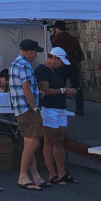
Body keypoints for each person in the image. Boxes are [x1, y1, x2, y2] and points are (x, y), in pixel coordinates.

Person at [35, 47, 78, 186]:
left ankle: (61, 173)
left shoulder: (57, 71)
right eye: (60, 61)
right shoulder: (42, 70)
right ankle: (52, 174)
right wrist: (64, 90)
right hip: (49, 108)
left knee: (59, 140)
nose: (61, 64)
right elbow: (45, 90)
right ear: (54, 58)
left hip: (60, 107)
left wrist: (64, 92)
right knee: (49, 140)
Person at [10, 38, 46, 191]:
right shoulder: (25, 65)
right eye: (35, 52)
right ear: (30, 51)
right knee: (33, 143)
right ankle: (23, 176)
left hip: (19, 108)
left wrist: (38, 92)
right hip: (28, 108)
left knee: (28, 142)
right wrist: (35, 107)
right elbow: (26, 90)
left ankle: (35, 175)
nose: (36, 55)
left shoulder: (14, 64)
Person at [49, 21, 85, 115]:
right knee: (76, 87)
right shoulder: (72, 39)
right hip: (73, 66)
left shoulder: (56, 39)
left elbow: (53, 49)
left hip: (62, 66)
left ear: (57, 29)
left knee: (60, 87)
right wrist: (75, 62)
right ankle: (80, 108)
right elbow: (80, 53)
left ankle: (60, 107)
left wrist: (52, 36)